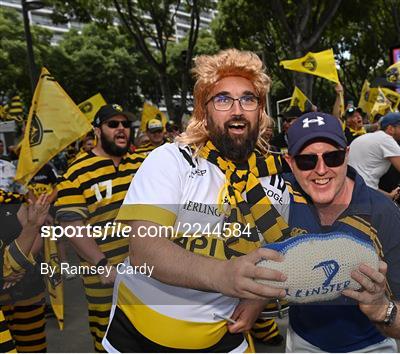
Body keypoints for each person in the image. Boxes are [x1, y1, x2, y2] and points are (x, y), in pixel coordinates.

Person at [102, 49, 289, 352]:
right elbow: (144, 250)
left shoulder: (274, 180)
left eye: (248, 99)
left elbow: (273, 252)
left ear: (261, 111)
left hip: (224, 333)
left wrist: (256, 298)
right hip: (140, 333)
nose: (237, 109)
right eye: (223, 99)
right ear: (204, 112)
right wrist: (224, 275)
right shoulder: (171, 160)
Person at [283, 112, 400, 352]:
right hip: (302, 341)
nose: (321, 170)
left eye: (333, 157)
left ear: (347, 156)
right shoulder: (281, 199)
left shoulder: (383, 214)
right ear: (290, 163)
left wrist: (382, 309)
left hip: (369, 346)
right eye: (307, 161)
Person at [54, 104, 145, 352]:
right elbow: (71, 226)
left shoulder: (144, 163)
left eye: (125, 124)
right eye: (112, 124)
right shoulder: (75, 172)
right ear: (97, 130)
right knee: (109, 341)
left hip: (149, 274)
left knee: (150, 336)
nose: (121, 129)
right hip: (105, 278)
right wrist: (103, 266)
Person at [1, 193, 50, 352]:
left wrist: (19, 265)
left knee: (33, 348)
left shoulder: (10, 196)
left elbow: (34, 234)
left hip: (26, 290)